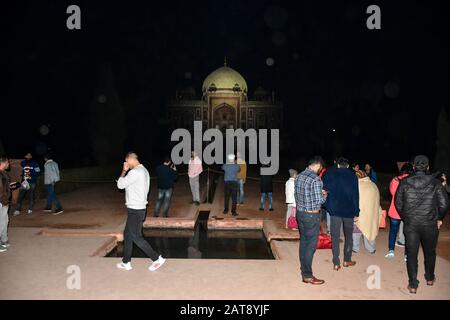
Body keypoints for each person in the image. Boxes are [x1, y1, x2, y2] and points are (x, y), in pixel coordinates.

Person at [395, 155, 449, 294]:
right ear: (427, 167)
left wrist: (406, 218)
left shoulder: (405, 182)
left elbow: (398, 204)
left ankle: (413, 284)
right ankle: (430, 278)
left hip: (411, 224)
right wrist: (438, 217)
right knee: (430, 253)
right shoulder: (435, 183)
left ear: (413, 167)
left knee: (412, 254)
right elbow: (444, 204)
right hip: (430, 224)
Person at [116, 152, 165, 271]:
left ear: (130, 159)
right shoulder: (144, 170)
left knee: (136, 236)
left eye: (126, 161)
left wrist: (124, 171)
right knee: (127, 234)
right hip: (138, 208)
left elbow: (120, 185)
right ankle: (126, 262)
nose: (126, 164)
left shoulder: (134, 172)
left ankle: (157, 258)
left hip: (135, 209)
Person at [294, 156, 327, 285]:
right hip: (311, 216)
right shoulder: (316, 179)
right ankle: (307, 275)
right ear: (318, 165)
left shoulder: (299, 176)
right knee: (310, 246)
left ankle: (304, 269)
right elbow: (320, 201)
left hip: (300, 213)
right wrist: (324, 194)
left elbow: (298, 195)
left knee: (303, 242)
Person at [323, 157, 359, 271]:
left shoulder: (330, 174)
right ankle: (347, 260)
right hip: (348, 211)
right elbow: (355, 195)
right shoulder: (353, 176)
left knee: (335, 236)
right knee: (349, 236)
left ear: (338, 165)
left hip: (335, 210)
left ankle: (336, 262)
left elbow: (324, 189)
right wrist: (356, 211)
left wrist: (328, 205)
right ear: (348, 166)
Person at [385, 162, 413, 258]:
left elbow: (392, 192)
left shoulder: (395, 179)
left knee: (393, 231)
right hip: (408, 211)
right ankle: (406, 255)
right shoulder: (413, 181)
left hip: (395, 210)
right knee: (408, 233)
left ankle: (391, 251)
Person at [352, 170, 382, 254]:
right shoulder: (373, 185)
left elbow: (353, 201)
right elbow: (377, 200)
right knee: (370, 230)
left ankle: (355, 248)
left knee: (356, 232)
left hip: (360, 214)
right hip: (371, 213)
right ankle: (371, 248)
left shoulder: (356, 186)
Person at [0, 157, 20, 251]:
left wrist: (12, 185)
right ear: (4, 163)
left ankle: (4, 240)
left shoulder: (4, 173)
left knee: (5, 221)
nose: (9, 164)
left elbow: (5, 187)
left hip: (4, 201)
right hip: (1, 201)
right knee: (1, 222)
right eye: (8, 162)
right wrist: (4, 201)